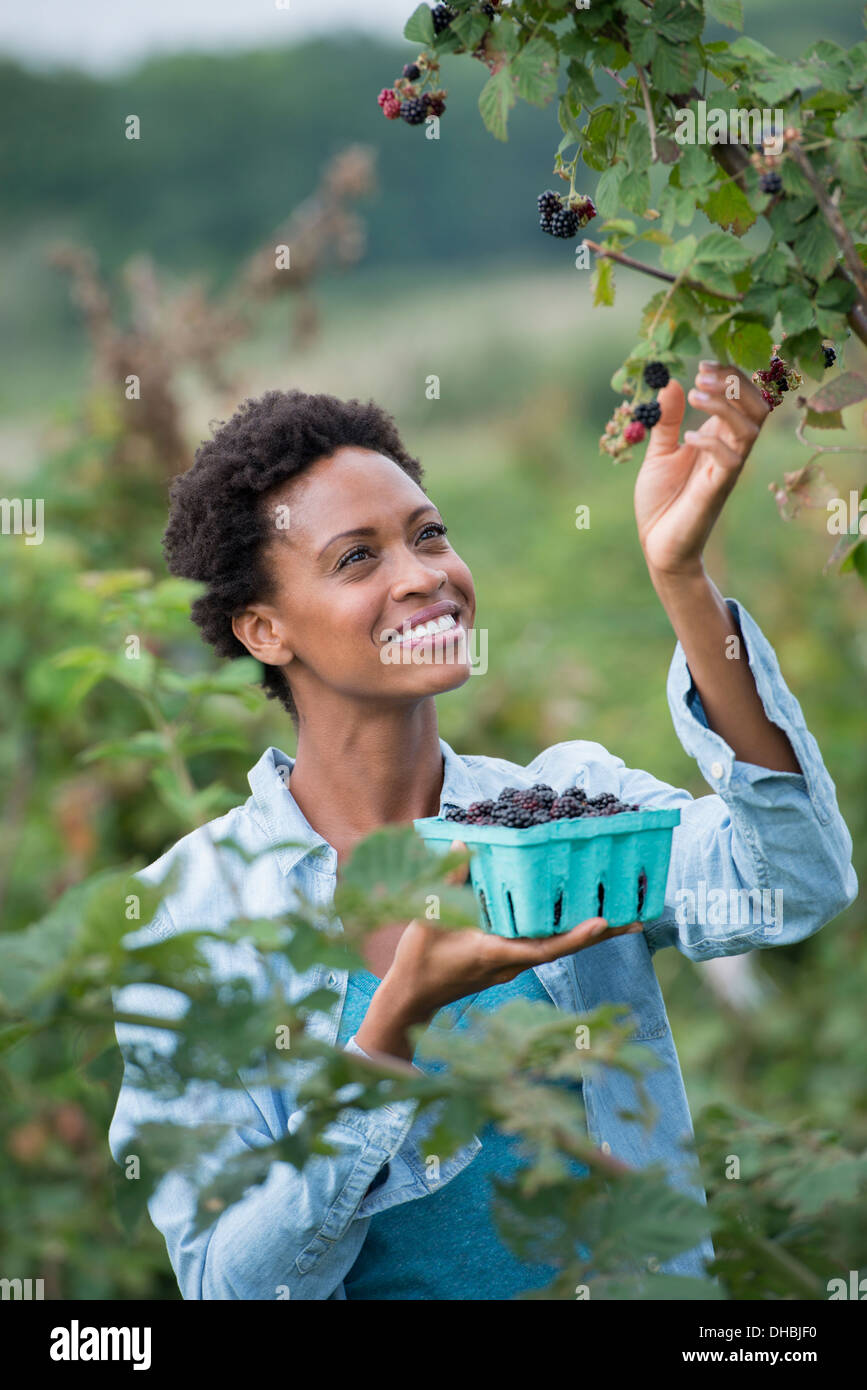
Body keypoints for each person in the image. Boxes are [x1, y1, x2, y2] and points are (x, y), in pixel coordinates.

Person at [108, 372, 857, 1299]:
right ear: (263, 629)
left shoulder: (571, 812)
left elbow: (794, 880)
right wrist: (393, 1025)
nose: (424, 576)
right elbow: (234, 1286)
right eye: (357, 559)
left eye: (428, 535)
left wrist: (681, 579)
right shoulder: (191, 915)